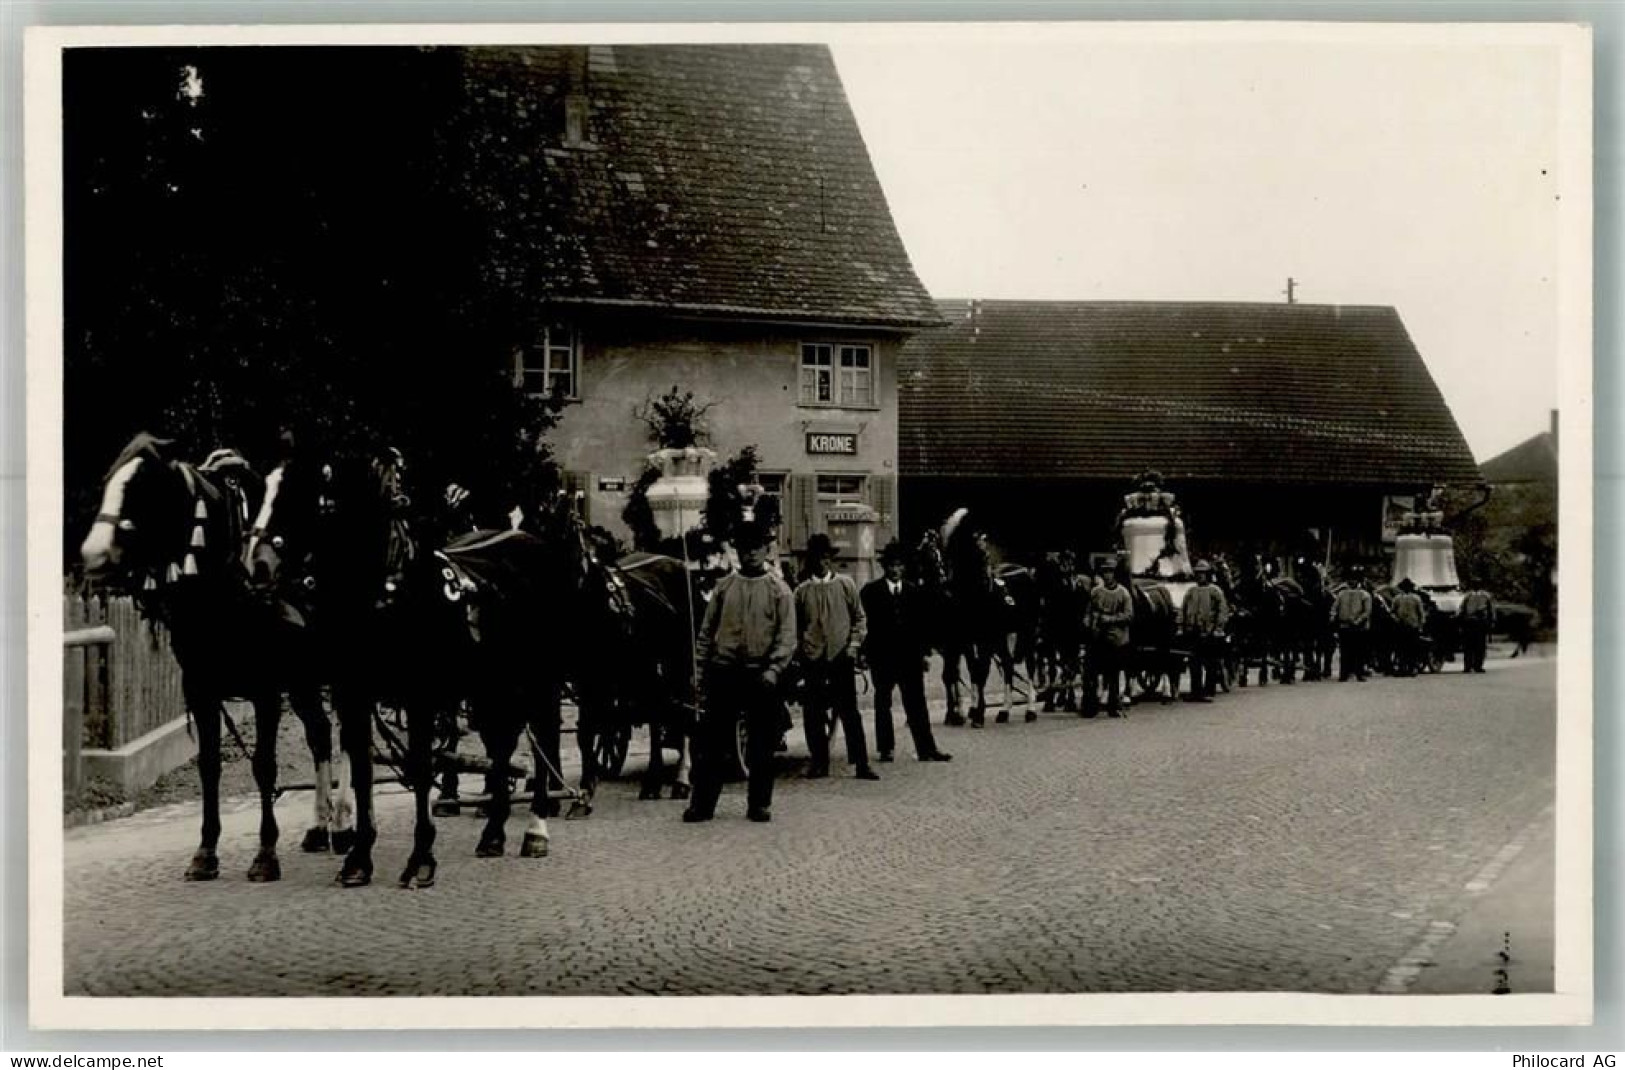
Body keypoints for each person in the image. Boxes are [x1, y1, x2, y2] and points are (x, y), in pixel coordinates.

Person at [685, 519, 796, 823]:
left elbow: (787, 638)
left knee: (761, 744)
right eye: (744, 549)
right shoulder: (724, 588)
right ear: (737, 551)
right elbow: (706, 633)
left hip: (760, 674)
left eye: (756, 548)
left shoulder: (779, 591)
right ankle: (703, 804)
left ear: (766, 550)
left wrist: (774, 670)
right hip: (724, 672)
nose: (750, 554)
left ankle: (759, 803)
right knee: (712, 744)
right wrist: (699, 669)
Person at [860, 541, 952, 764]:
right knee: (883, 703)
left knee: (917, 703)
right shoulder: (871, 592)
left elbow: (921, 627)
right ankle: (886, 748)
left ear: (904, 568)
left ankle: (926, 748)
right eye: (891, 565)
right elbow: (867, 627)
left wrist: (922, 655)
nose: (895, 569)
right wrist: (865, 654)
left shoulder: (914, 592)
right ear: (885, 567)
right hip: (882, 658)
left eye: (899, 565)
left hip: (909, 658)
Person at [794, 533, 877, 780]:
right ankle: (819, 762)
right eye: (817, 559)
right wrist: (803, 650)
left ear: (831, 559)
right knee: (813, 713)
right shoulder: (801, 592)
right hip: (813, 659)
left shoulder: (846, 585)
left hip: (841, 656)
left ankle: (861, 763)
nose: (822, 564)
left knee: (850, 711)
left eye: (826, 558)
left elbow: (860, 619)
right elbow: (795, 626)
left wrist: (853, 645)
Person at [1083, 560, 1134, 717]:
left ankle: (1113, 705)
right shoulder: (1096, 592)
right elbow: (1089, 611)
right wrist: (1087, 621)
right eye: (1105, 572)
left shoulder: (1123, 594)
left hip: (1115, 638)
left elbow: (1129, 615)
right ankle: (1089, 705)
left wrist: (1109, 619)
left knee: (1112, 673)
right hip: (1098, 636)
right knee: (1089, 671)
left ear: (1115, 574)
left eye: (1110, 572)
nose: (1107, 575)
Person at [1181, 560, 1229, 701]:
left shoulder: (1215, 591)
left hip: (1209, 633)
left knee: (1210, 664)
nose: (1201, 576)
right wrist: (1181, 626)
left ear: (1208, 575)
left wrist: (1218, 628)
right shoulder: (1191, 591)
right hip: (1194, 632)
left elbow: (1222, 611)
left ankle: (1208, 690)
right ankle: (1195, 691)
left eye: (1203, 574)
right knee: (1194, 664)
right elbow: (1183, 610)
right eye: (1198, 574)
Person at [1331, 570, 1374, 681]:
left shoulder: (1364, 595)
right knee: (1345, 652)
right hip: (1346, 626)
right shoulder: (1342, 594)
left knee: (1357, 652)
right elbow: (1334, 608)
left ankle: (1357, 673)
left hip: (1357, 627)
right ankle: (1345, 674)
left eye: (1354, 579)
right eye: (1350, 579)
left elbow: (1367, 611)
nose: (1352, 581)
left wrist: (1358, 620)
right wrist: (1333, 616)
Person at [1457, 581, 1495, 674]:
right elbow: (1462, 608)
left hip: (1481, 623)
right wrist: (1461, 620)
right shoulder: (1468, 596)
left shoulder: (1486, 596)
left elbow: (1491, 610)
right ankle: (1468, 666)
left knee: (1480, 646)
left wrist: (1491, 622)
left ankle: (1478, 666)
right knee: (1468, 646)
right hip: (1469, 623)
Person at [1392, 577, 1427, 677]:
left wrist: (1420, 625)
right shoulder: (1397, 598)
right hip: (1401, 626)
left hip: (1412, 625)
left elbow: (1421, 613)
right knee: (1401, 649)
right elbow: (1393, 611)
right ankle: (1402, 668)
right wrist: (1396, 619)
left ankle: (1411, 668)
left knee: (1412, 649)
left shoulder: (1416, 598)